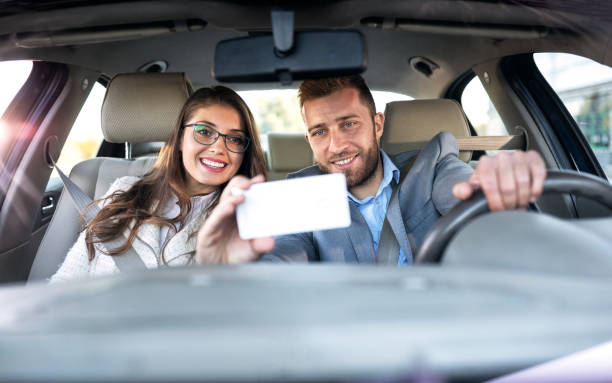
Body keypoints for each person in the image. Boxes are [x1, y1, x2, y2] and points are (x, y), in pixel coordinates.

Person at [195, 75, 546, 264]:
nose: (336, 146)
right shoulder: (299, 193)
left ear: (377, 124)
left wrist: (499, 195)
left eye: (349, 124)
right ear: (309, 138)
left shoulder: (435, 165)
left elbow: (468, 200)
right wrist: (236, 267)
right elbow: (286, 255)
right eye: (320, 132)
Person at [50, 86, 267, 282]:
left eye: (235, 139)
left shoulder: (244, 217)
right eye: (204, 132)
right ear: (180, 139)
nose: (219, 147)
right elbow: (67, 281)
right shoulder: (125, 191)